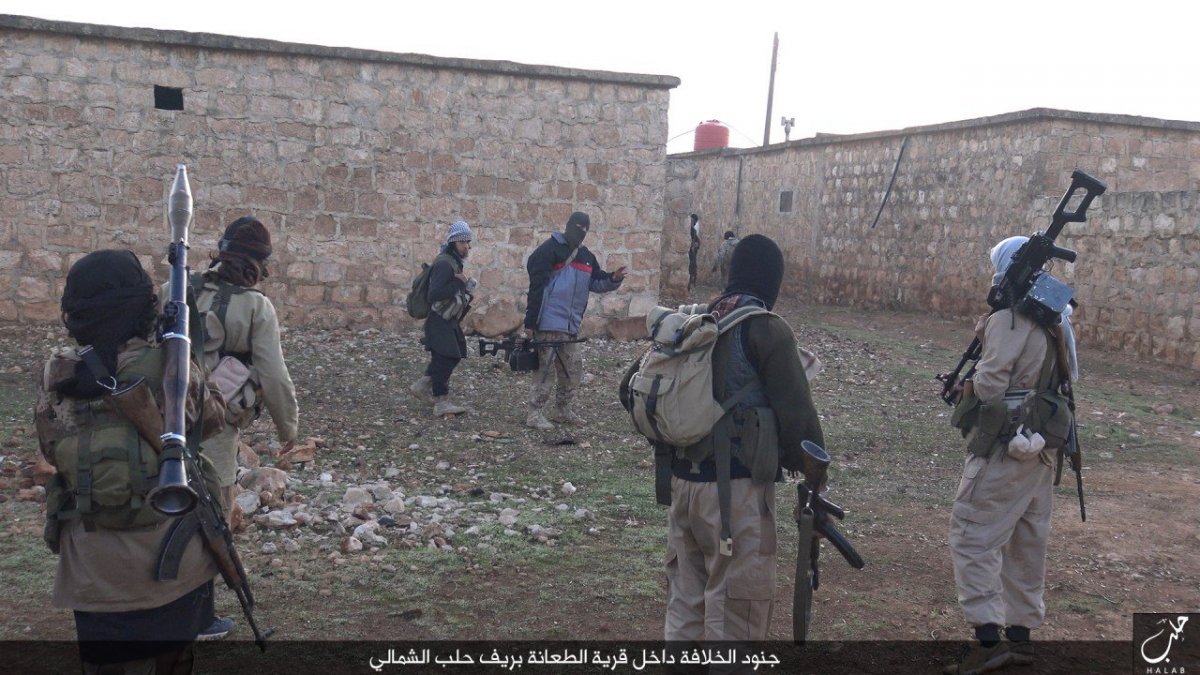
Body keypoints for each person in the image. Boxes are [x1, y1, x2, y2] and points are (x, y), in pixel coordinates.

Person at [36, 250, 221, 674]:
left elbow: (50, 449)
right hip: (175, 562)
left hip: (95, 572)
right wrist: (181, 354)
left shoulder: (57, 374)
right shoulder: (172, 366)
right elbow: (211, 422)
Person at [658, 234, 824, 644]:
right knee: (738, 616)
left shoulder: (696, 320)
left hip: (683, 486)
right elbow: (800, 424)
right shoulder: (766, 329)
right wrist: (816, 485)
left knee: (686, 605)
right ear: (771, 280)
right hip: (736, 496)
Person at [942, 235, 1078, 674]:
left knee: (971, 534)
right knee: (1026, 542)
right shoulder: (1056, 323)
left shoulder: (1008, 320)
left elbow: (989, 387)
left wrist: (972, 376)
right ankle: (1020, 639)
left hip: (1005, 448)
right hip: (1042, 449)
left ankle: (988, 640)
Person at [186, 215, 299, 639]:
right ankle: (198, 617)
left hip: (164, 418)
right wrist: (288, 429)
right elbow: (274, 375)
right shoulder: (255, 307)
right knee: (211, 516)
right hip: (216, 426)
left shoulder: (177, 290)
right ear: (259, 263)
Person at [523, 211, 626, 430]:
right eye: (579, 228)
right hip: (548, 322)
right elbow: (536, 287)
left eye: (586, 229)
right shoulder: (549, 250)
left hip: (571, 325)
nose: (582, 232)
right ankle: (534, 414)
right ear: (569, 226)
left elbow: (596, 282)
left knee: (572, 369)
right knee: (545, 371)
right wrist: (530, 323)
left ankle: (563, 410)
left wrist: (614, 279)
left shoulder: (586, 256)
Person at [410, 220, 475, 416]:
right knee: (446, 357)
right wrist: (458, 283)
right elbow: (434, 294)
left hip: (447, 319)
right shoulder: (445, 264)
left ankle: (423, 385)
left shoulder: (452, 262)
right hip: (439, 320)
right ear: (453, 243)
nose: (466, 246)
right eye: (462, 242)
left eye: (468, 242)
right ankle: (441, 401)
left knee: (452, 354)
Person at [687, 213, 701, 292]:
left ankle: (690, 284)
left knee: (692, 269)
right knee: (691, 269)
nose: (694, 223)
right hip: (689, 253)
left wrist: (696, 245)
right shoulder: (690, 230)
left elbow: (697, 241)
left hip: (692, 253)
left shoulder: (693, 231)